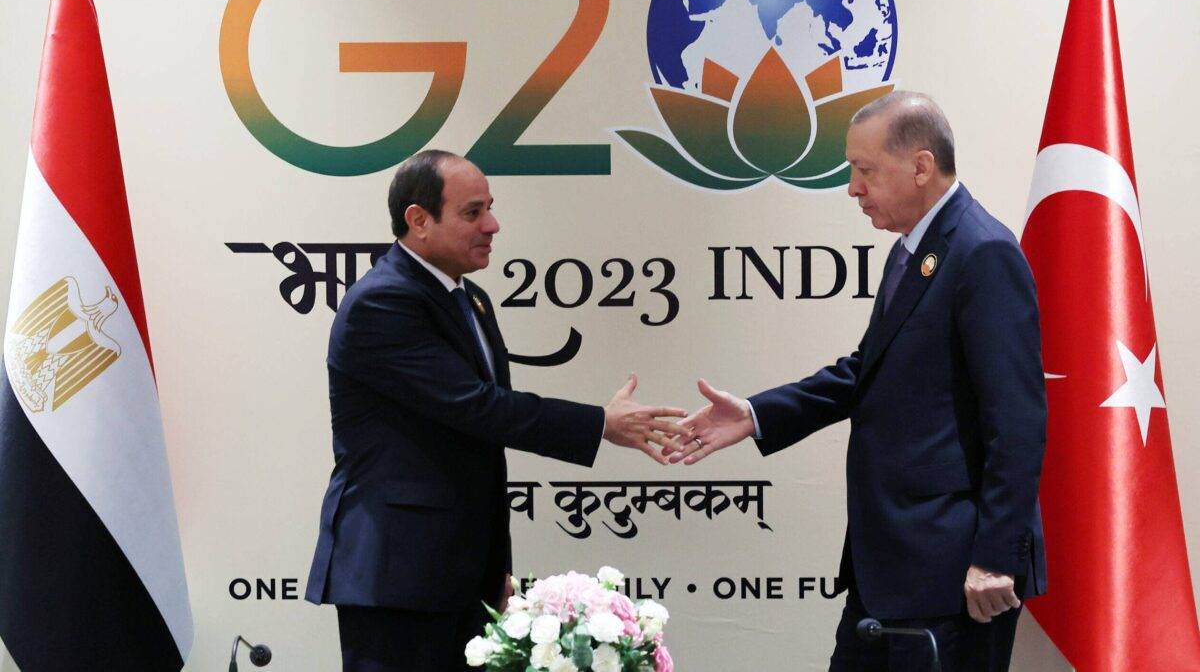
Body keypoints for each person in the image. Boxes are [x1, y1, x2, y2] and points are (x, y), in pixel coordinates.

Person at [671, 92, 1047, 671]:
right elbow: (863, 372)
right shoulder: (915, 250)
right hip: (894, 567)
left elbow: (1016, 422)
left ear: (921, 167)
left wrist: (996, 557)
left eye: (864, 170)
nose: (852, 187)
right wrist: (753, 415)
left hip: (952, 572)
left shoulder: (982, 252)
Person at [304, 149, 688, 672]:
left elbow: (476, 445)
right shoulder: (384, 302)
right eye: (472, 212)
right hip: (398, 577)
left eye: (490, 209)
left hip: (458, 575)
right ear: (418, 220)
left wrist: (493, 571)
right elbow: (477, 408)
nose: (493, 225)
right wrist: (599, 424)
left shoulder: (470, 298)